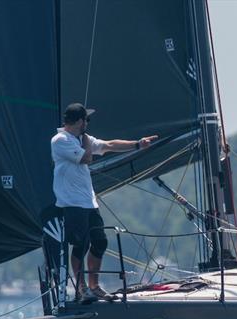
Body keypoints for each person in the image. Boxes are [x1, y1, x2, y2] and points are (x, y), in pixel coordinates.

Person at [52, 102, 158, 302]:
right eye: (86, 120)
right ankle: (81, 288)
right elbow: (86, 159)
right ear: (79, 121)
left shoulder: (82, 138)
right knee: (80, 244)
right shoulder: (61, 140)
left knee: (100, 241)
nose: (88, 123)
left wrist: (137, 144)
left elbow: (109, 145)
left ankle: (95, 286)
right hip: (71, 203)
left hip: (88, 202)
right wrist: (84, 140)